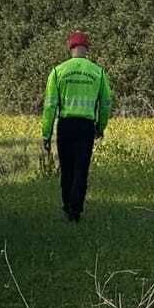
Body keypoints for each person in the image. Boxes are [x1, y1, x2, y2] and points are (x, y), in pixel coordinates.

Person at [41, 31, 114, 222]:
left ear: (70, 47)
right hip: (86, 126)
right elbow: (106, 102)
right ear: (87, 49)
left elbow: (50, 105)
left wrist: (46, 134)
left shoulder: (58, 71)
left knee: (67, 169)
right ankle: (77, 210)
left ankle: (67, 207)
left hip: (66, 125)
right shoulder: (98, 72)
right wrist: (100, 126)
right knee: (81, 169)